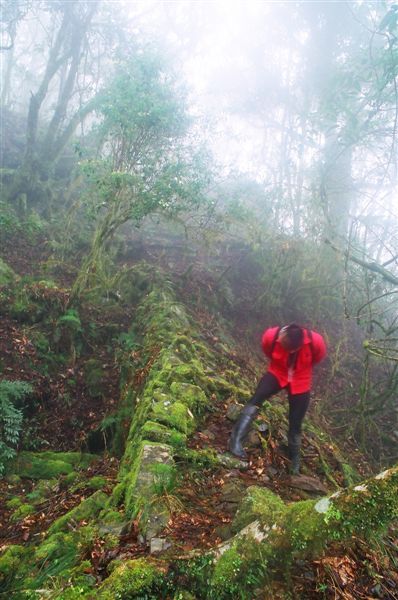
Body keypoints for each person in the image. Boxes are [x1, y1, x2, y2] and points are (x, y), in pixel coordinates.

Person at [229, 323, 327, 475]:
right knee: (257, 398)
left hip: (301, 380)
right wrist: (280, 365)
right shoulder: (272, 335)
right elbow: (268, 350)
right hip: (277, 372)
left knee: (296, 421)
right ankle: (235, 440)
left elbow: (318, 358)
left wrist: (299, 369)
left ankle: (294, 459)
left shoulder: (316, 342)